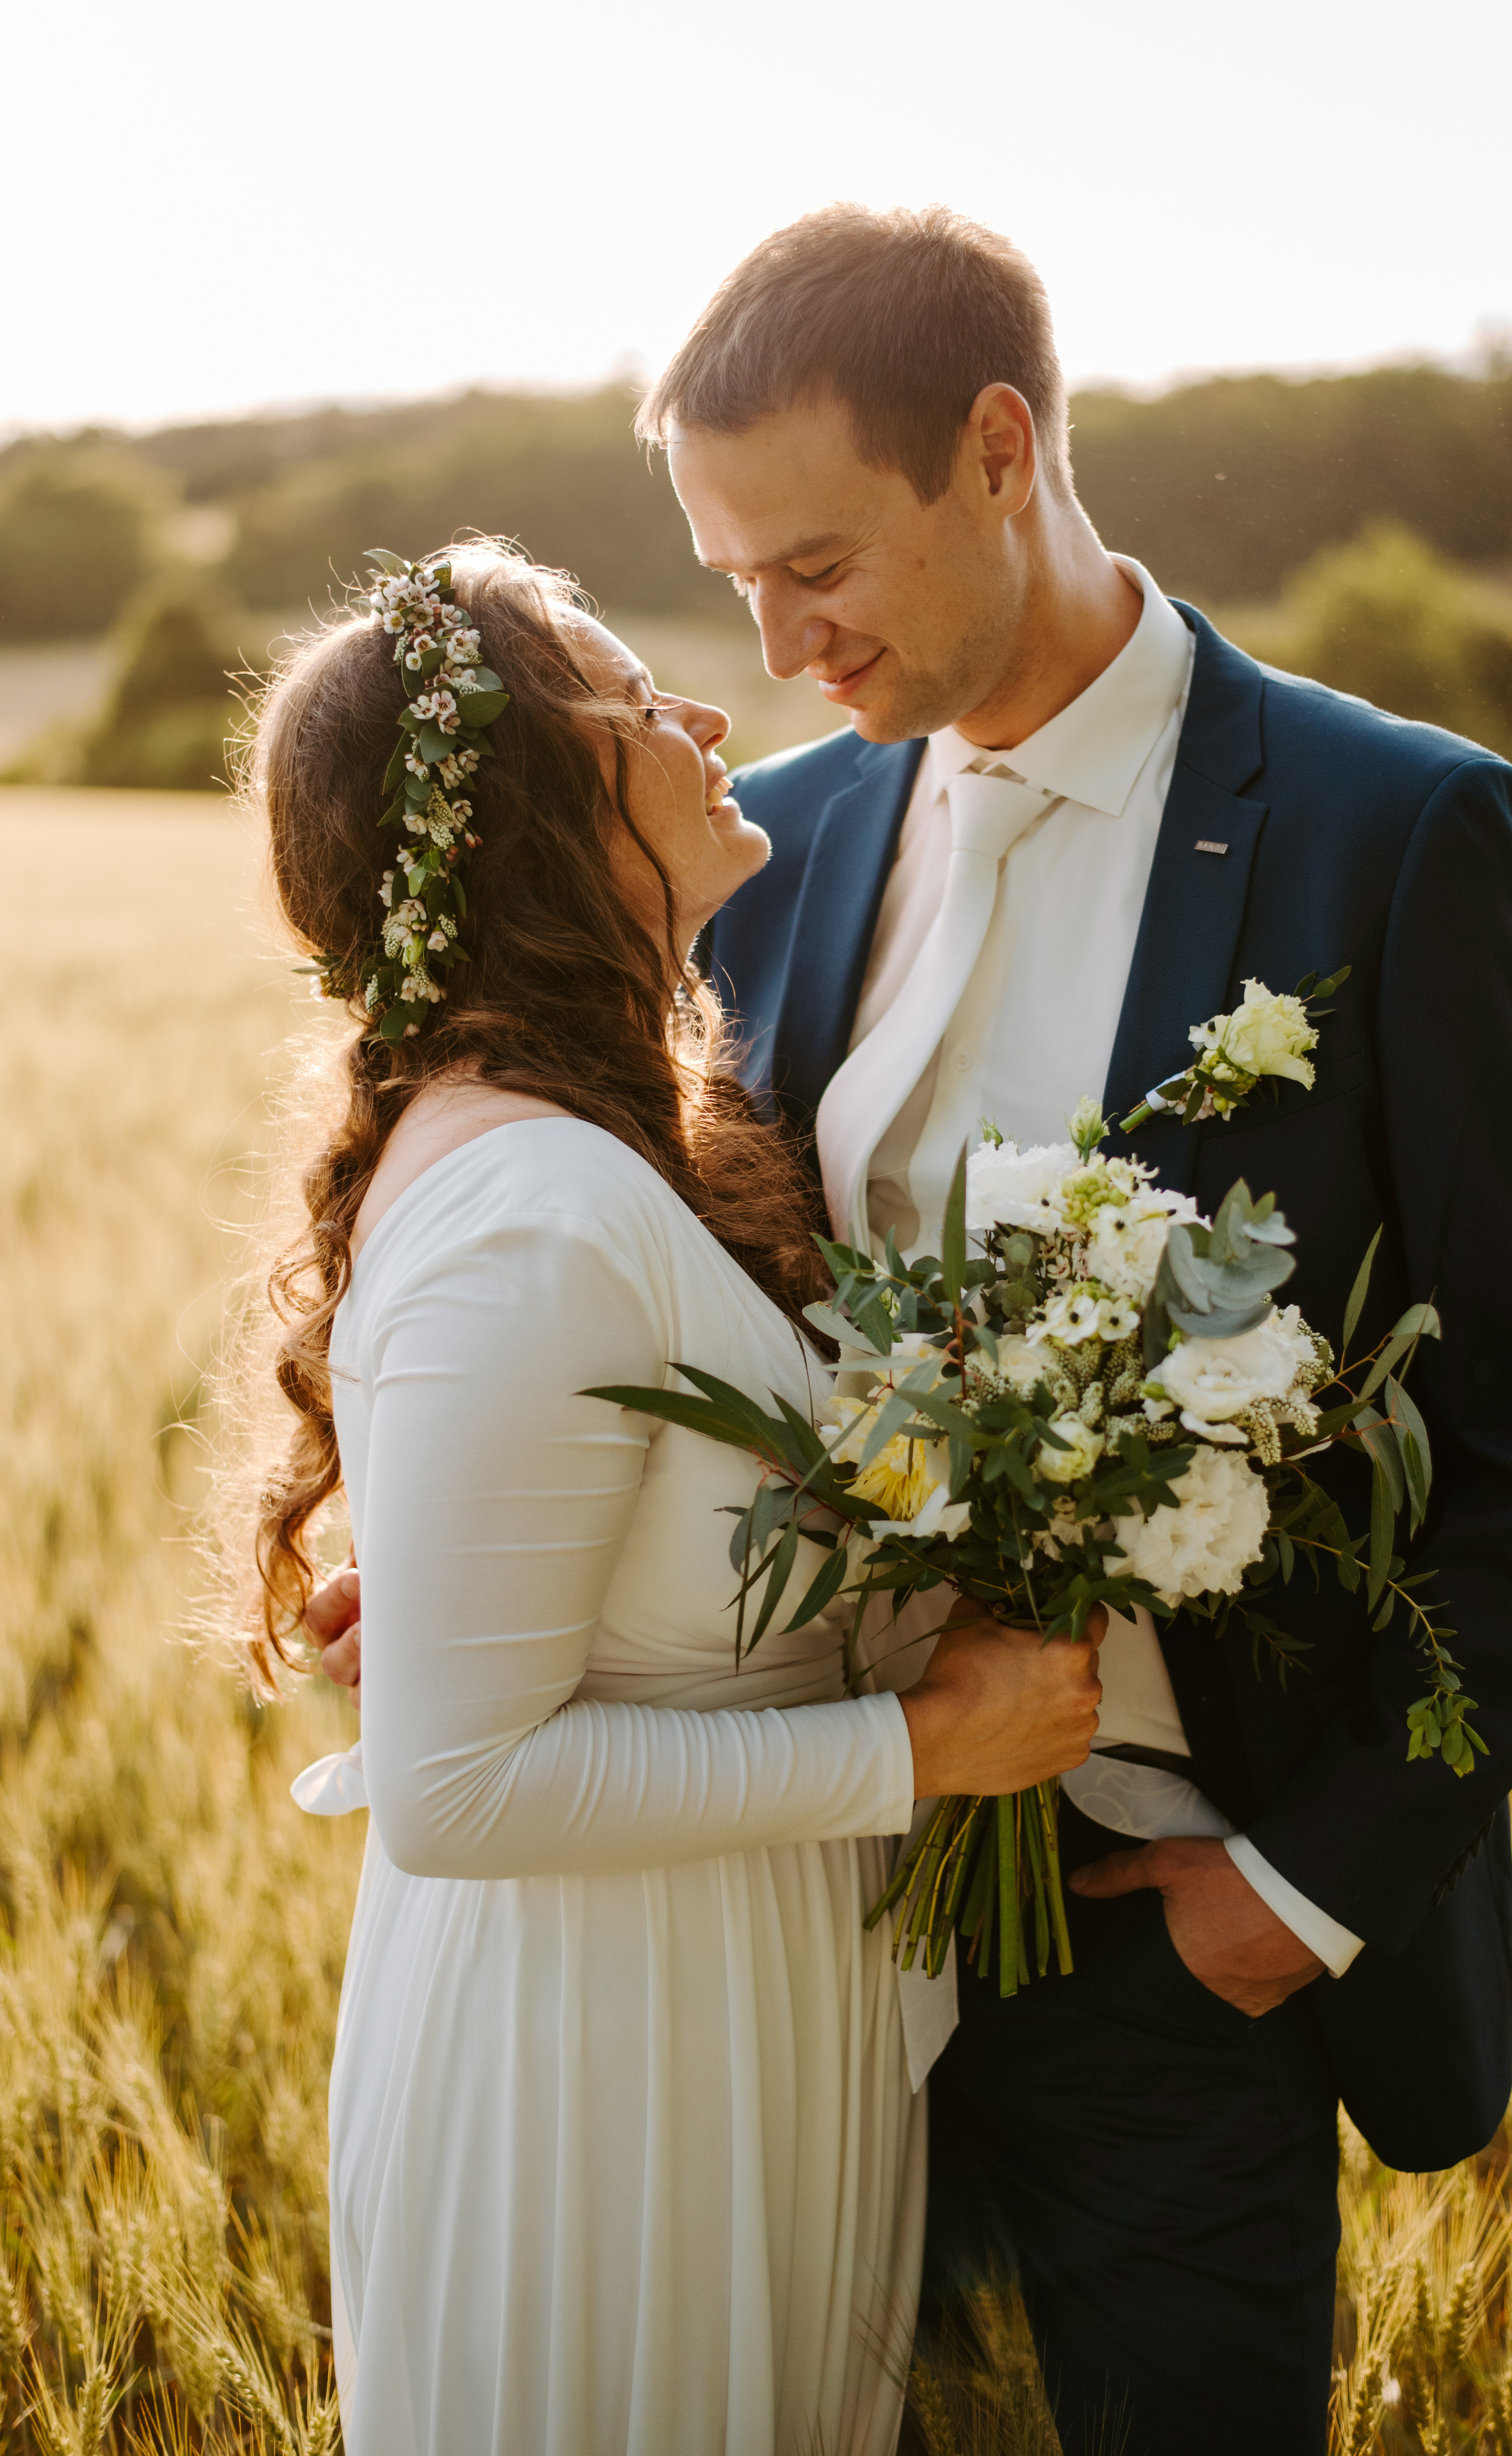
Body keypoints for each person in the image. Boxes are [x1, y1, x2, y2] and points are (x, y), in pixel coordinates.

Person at [627, 205, 1512, 2452]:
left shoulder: (1400, 835)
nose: (781, 646)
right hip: (795, 1924)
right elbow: (676, 1307)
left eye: (818, 566)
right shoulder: (763, 845)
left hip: (1168, 1944)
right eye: (732, 585)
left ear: (1002, 449)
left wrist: (1291, 1894)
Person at [252, 542, 1102, 2456]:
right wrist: (921, 1748)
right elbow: (457, 1790)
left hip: (712, 2011)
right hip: (606, 2065)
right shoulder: (530, 1205)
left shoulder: (586, 1142)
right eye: (644, 705)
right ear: (547, 806)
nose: (712, 718)